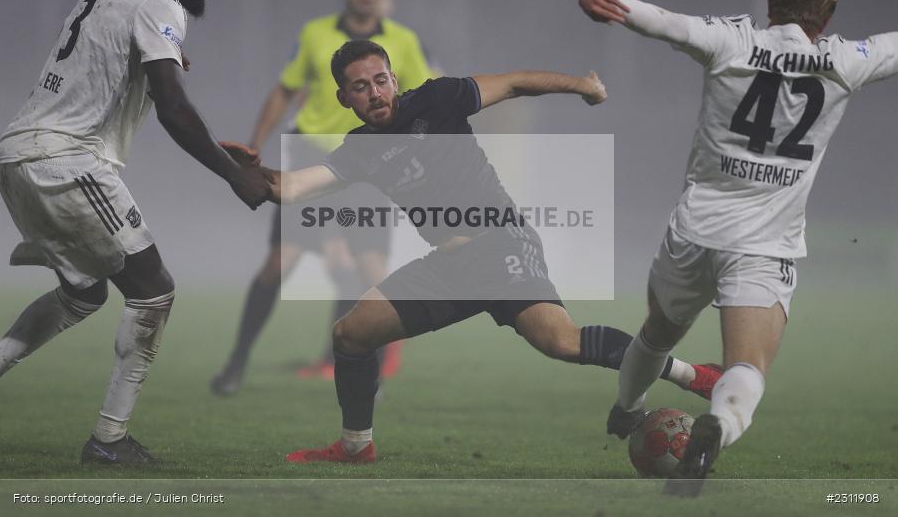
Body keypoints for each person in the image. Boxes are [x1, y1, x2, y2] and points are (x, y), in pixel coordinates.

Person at [223, 39, 722, 463]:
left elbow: (517, 83)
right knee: (351, 334)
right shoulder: (360, 147)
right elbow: (294, 186)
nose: (374, 92)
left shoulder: (438, 99)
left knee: (562, 342)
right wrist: (238, 169)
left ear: (394, 79)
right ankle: (356, 447)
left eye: (380, 80)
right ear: (343, 97)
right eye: (360, 87)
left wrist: (584, 86)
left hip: (499, 243)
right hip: (449, 268)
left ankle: (693, 374)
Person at [579, 0, 898, 494]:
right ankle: (719, 427)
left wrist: (606, 0)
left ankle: (627, 407)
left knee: (657, 332)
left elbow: (666, 22)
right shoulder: (847, 60)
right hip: (764, 244)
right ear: (827, 17)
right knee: (747, 364)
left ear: (770, 4)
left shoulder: (732, 40)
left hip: (694, 232)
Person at [0, 0, 270, 464]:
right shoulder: (159, 1)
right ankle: (109, 440)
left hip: (20, 153)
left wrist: (210, 140)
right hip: (64, 159)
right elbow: (173, 107)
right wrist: (232, 173)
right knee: (153, 290)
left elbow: (122, 71)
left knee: (83, 294)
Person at [211, 0, 433, 395]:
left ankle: (368, 375)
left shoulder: (404, 42)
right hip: (312, 159)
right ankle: (236, 362)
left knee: (373, 274)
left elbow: (421, 103)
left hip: (369, 166)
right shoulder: (314, 34)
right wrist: (255, 144)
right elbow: (285, 90)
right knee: (279, 265)